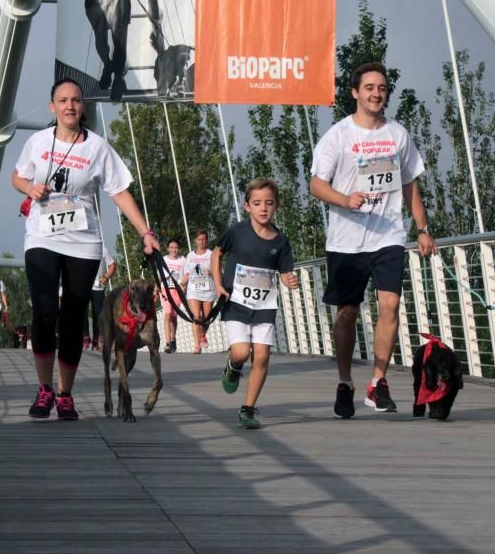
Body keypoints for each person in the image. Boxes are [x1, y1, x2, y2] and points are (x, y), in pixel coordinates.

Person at [11, 77, 159, 421]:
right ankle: (44, 389)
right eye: (62, 100)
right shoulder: (36, 141)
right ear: (52, 107)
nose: (70, 106)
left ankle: (65, 395)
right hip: (42, 235)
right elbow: (17, 176)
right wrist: (28, 188)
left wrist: (144, 232)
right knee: (45, 311)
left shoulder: (97, 148)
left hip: (83, 240)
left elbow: (119, 191)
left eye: (76, 100)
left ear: (83, 107)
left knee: (74, 316)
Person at [310, 62, 438, 419]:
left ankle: (378, 382)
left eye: (382, 88)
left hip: (388, 234)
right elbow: (316, 184)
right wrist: (344, 199)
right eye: (369, 87)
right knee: (347, 312)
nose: (376, 93)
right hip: (347, 240)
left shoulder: (398, 134)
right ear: (355, 93)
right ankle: (345, 381)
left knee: (390, 306)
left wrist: (423, 229)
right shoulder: (339, 135)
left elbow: (410, 181)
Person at [213, 179, 299, 429]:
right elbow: (216, 253)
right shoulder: (237, 232)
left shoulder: (281, 241)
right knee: (242, 352)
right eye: (257, 203)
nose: (263, 208)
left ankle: (248, 409)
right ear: (247, 206)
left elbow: (284, 272)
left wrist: (289, 279)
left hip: (264, 306)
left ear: (276, 206)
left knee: (262, 356)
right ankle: (233, 365)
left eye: (269, 203)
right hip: (236, 302)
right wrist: (218, 284)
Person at [182, 230, 216, 354]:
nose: (201, 242)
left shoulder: (212, 254)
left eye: (203, 239)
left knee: (206, 318)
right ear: (195, 241)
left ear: (206, 241)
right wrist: (182, 285)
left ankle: (202, 335)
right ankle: (197, 345)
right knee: (196, 317)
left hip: (208, 289)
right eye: (199, 239)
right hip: (193, 290)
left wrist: (211, 272)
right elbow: (186, 273)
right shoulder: (190, 256)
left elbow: (219, 272)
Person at [82, 249, 116, 351]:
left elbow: (112, 265)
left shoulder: (103, 249)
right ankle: (85, 337)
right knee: (82, 311)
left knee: (98, 314)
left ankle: (97, 340)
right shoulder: (80, 246)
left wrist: (106, 276)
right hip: (83, 285)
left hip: (98, 286)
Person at [161, 238, 186, 354]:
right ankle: (167, 342)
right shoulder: (163, 259)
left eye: (175, 248)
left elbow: (186, 275)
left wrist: (183, 286)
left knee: (173, 316)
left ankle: (173, 338)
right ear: (168, 249)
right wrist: (156, 289)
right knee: (167, 314)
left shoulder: (182, 260)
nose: (174, 250)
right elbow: (159, 275)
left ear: (178, 249)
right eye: (171, 248)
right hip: (165, 289)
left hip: (177, 290)